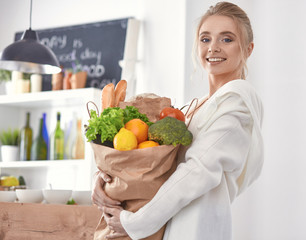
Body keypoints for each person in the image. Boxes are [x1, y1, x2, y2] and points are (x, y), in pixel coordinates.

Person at [92, 1, 264, 239]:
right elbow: (160, 164)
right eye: (205, 39)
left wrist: (134, 222)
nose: (213, 48)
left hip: (195, 229)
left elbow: (197, 171)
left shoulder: (237, 105)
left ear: (247, 49)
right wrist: (104, 180)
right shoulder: (204, 104)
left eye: (227, 39)